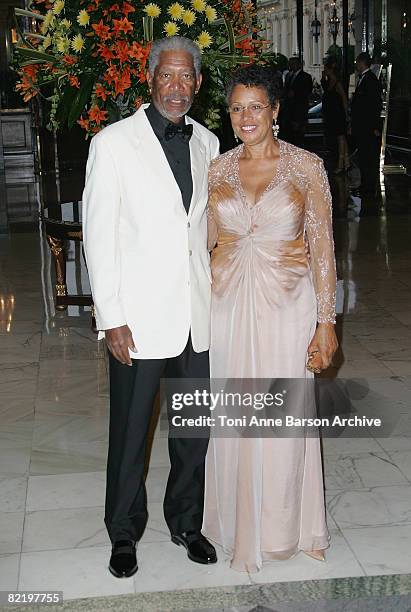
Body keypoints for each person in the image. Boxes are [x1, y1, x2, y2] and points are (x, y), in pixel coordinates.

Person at [82, 36, 219, 578]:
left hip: (196, 317)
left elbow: (205, 230)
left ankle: (186, 521)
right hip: (136, 320)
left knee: (192, 429)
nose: (177, 87)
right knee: (130, 431)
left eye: (187, 77)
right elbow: (99, 236)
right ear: (150, 76)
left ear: (198, 84)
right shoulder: (113, 143)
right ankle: (123, 530)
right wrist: (110, 315)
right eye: (168, 75)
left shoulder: (208, 142)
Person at [203, 65, 338, 573]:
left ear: (276, 110)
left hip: (288, 305)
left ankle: (291, 527)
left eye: (256, 106)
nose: (245, 117)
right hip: (227, 306)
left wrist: (326, 323)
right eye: (237, 108)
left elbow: (323, 247)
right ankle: (239, 527)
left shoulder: (307, 167)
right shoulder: (217, 169)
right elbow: (204, 241)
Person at [350, 52, 383, 196]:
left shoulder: (371, 80)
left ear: (362, 62)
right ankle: (364, 185)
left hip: (368, 127)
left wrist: (375, 126)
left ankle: (369, 187)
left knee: (368, 157)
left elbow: (375, 105)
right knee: (363, 157)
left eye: (357, 62)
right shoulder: (363, 79)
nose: (356, 64)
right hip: (362, 126)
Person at [321, 57, 350, 173]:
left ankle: (341, 164)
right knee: (341, 137)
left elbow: (343, 98)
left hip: (337, 113)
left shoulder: (337, 81)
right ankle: (346, 162)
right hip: (332, 113)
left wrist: (346, 113)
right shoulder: (329, 81)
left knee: (341, 137)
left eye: (325, 69)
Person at [281, 57, 313, 147]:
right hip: (288, 110)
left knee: (298, 134)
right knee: (289, 134)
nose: (291, 65)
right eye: (290, 63)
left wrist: (296, 94)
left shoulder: (306, 76)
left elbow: (307, 92)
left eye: (293, 63)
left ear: (299, 64)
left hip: (299, 110)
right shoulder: (288, 76)